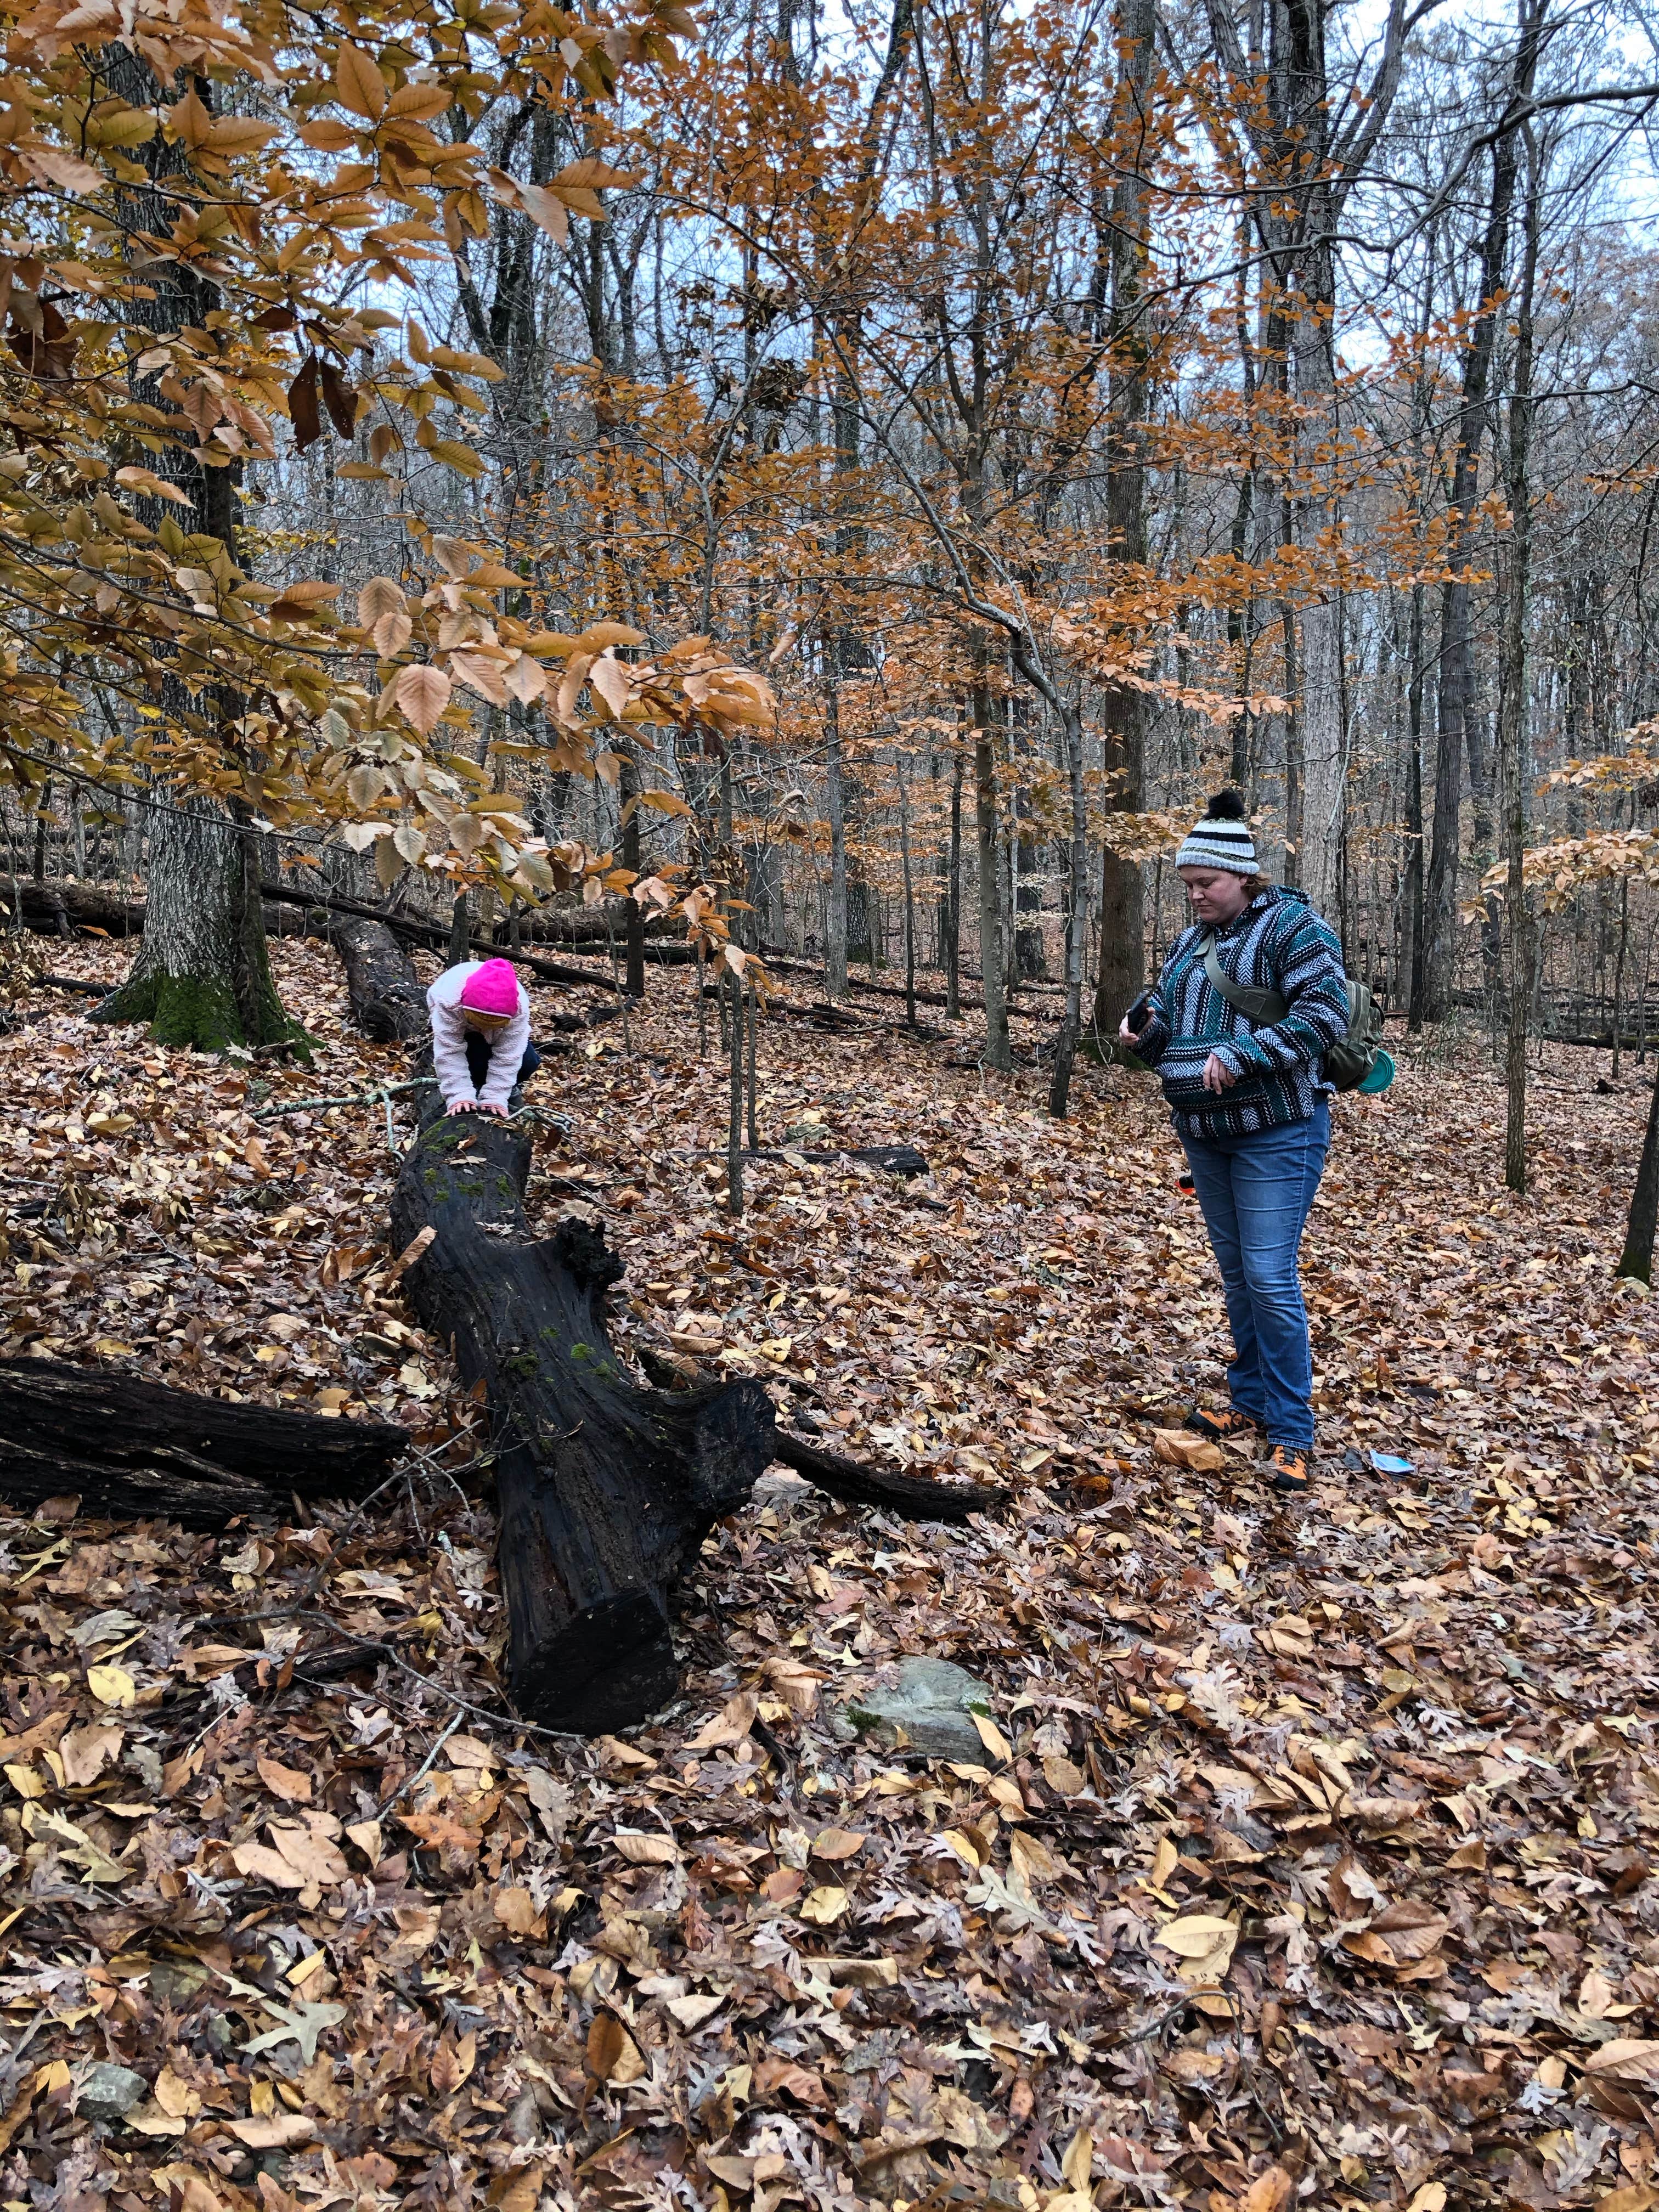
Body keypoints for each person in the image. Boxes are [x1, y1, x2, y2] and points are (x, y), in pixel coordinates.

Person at [1120, 792, 1350, 1494]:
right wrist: (1144, 1036)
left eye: (1206, 884)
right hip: (1205, 1133)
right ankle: (1249, 1401)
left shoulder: (1294, 930)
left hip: (1280, 1132)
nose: (1194, 896)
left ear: (1244, 877)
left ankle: (1292, 1431)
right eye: (1187, 885)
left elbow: (1326, 1017)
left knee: (1271, 1278)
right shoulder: (1189, 943)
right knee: (1238, 1273)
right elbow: (1171, 1025)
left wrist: (1248, 1055)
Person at [427, 956, 540, 1118]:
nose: (484, 1028)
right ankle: (473, 1085)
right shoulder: (448, 1002)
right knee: (475, 1055)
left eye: (493, 1024)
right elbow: (449, 1050)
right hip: (461, 1022)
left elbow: (509, 1055)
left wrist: (496, 1097)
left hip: (488, 1021)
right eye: (480, 1022)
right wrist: (458, 1095)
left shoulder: (520, 1009)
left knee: (528, 1061)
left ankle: (508, 1087)